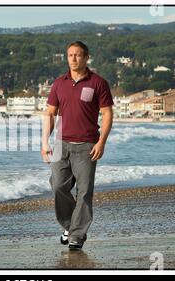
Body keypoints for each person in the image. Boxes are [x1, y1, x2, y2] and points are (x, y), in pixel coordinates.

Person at [41, 41, 114, 250]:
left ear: (86, 57)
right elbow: (50, 113)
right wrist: (44, 142)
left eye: (78, 55)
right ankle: (70, 225)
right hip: (61, 143)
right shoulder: (59, 83)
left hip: (87, 145)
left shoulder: (98, 83)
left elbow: (107, 113)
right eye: (70, 55)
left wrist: (102, 142)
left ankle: (77, 235)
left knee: (84, 192)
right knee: (57, 186)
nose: (73, 59)